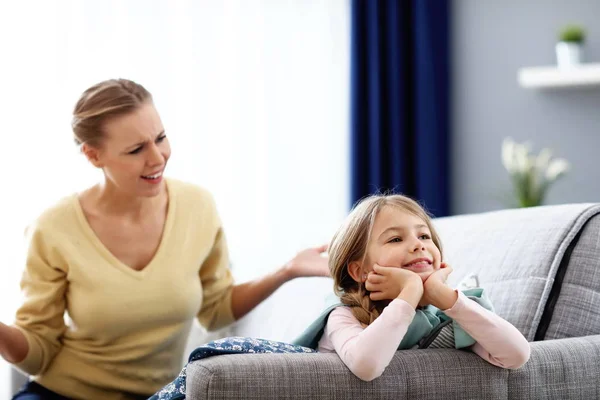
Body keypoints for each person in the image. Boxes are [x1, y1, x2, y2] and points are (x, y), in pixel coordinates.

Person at [0, 78, 330, 399]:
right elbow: (37, 352)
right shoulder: (53, 229)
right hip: (64, 393)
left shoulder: (197, 207)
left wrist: (288, 270)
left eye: (160, 138)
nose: (157, 158)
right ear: (93, 156)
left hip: (161, 395)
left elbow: (216, 309)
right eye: (135, 149)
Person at [315, 194, 530, 381]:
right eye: (396, 239)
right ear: (359, 270)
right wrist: (410, 290)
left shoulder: (445, 317)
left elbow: (516, 355)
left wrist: (445, 297)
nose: (419, 245)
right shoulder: (342, 315)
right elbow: (366, 366)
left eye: (424, 236)